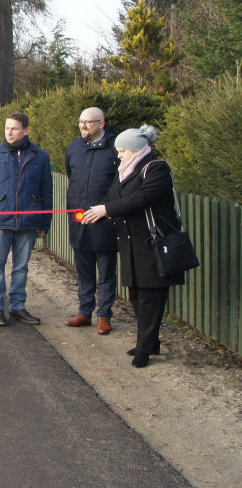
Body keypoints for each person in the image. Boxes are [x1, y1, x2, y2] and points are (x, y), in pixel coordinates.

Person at [82, 125, 184, 368]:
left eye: (122, 151)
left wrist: (107, 209)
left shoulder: (156, 169)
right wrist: (96, 211)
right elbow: (113, 197)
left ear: (136, 149)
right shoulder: (125, 170)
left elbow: (142, 198)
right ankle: (150, 342)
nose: (118, 155)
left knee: (151, 297)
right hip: (130, 245)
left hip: (152, 245)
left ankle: (145, 351)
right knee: (137, 297)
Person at [0, 112, 52, 327]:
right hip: (0, 219)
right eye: (7, 127)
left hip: (29, 220)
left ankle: (17, 306)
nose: (9, 132)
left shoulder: (41, 156)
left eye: (14, 128)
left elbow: (47, 191)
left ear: (26, 130)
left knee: (21, 267)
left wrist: (44, 223)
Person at [64, 107, 119, 335]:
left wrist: (106, 209)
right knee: (83, 270)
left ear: (102, 124)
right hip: (78, 220)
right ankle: (84, 312)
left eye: (88, 122)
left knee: (106, 272)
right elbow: (71, 175)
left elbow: (120, 184)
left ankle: (104, 315)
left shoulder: (115, 148)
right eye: (81, 122)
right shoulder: (74, 148)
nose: (83, 126)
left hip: (105, 221)